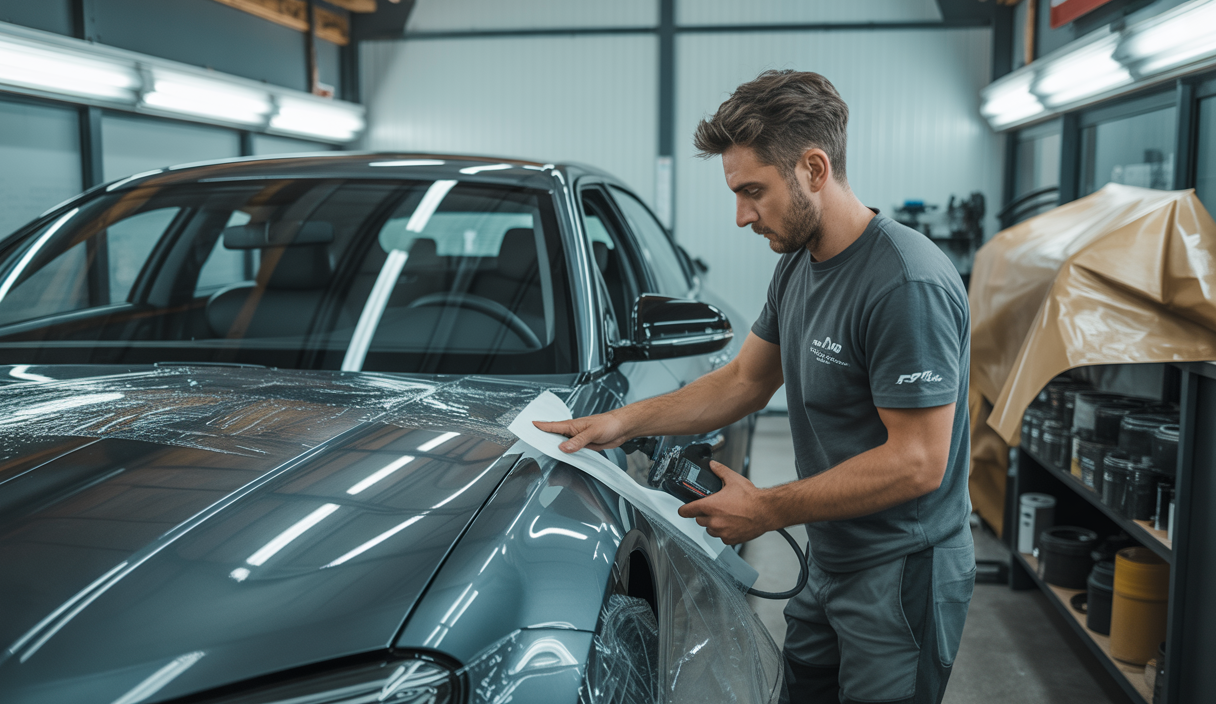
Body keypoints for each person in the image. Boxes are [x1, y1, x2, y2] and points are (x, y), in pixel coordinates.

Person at [535, 70, 974, 704]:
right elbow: (744, 380)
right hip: (832, 552)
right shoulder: (799, 265)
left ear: (814, 169)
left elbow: (918, 462)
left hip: (901, 571)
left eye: (754, 192)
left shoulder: (905, 284)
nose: (742, 216)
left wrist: (769, 509)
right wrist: (620, 422)